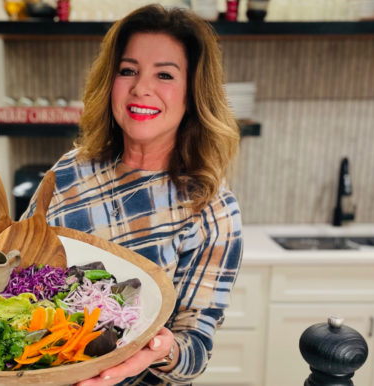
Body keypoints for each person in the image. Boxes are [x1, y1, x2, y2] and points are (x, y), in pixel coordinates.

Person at [22, 4, 243, 385]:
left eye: (165, 74)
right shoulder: (68, 172)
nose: (142, 88)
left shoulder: (212, 210)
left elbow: (196, 348)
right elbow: (19, 267)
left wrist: (160, 349)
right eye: (128, 71)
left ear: (192, 94)